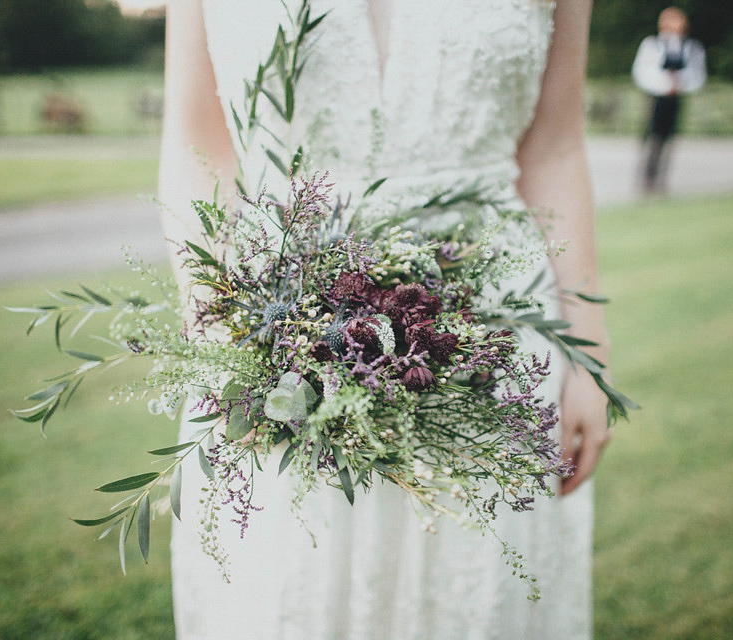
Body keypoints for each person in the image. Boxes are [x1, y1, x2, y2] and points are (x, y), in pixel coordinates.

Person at [158, 1, 611, 638]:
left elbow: (556, 149)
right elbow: (196, 140)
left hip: (497, 334)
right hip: (272, 327)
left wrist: (591, 353)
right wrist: (216, 326)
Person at [631, 7, 706, 195]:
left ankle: (661, 180)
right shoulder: (652, 45)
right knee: (652, 138)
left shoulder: (691, 48)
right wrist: (664, 84)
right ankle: (646, 178)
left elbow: (697, 74)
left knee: (669, 139)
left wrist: (680, 84)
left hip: (676, 98)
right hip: (656, 97)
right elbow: (642, 72)